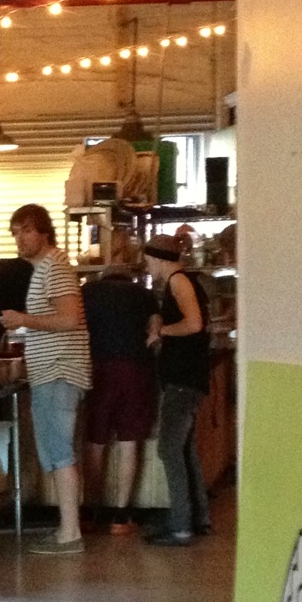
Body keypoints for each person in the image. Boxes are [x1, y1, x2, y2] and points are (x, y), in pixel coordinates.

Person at [0, 204, 91, 554]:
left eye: (26, 230)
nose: (19, 239)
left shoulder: (55, 267)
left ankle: (70, 533)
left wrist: (24, 319)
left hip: (58, 370)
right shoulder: (46, 268)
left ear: (44, 232)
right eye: (15, 232)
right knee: (57, 451)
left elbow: (69, 319)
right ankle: (68, 529)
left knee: (59, 451)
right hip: (53, 370)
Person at [81, 233, 157, 534]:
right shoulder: (145, 295)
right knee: (128, 442)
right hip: (135, 370)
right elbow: (155, 333)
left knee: (95, 441)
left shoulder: (87, 292)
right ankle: (121, 517)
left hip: (98, 370)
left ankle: (90, 510)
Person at [142, 234, 212, 546]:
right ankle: (198, 518)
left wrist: (162, 331)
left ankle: (180, 526)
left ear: (159, 259)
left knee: (169, 449)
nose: (147, 266)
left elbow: (194, 324)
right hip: (188, 378)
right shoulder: (181, 282)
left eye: (148, 261)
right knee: (184, 449)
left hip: (183, 380)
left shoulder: (178, 281)